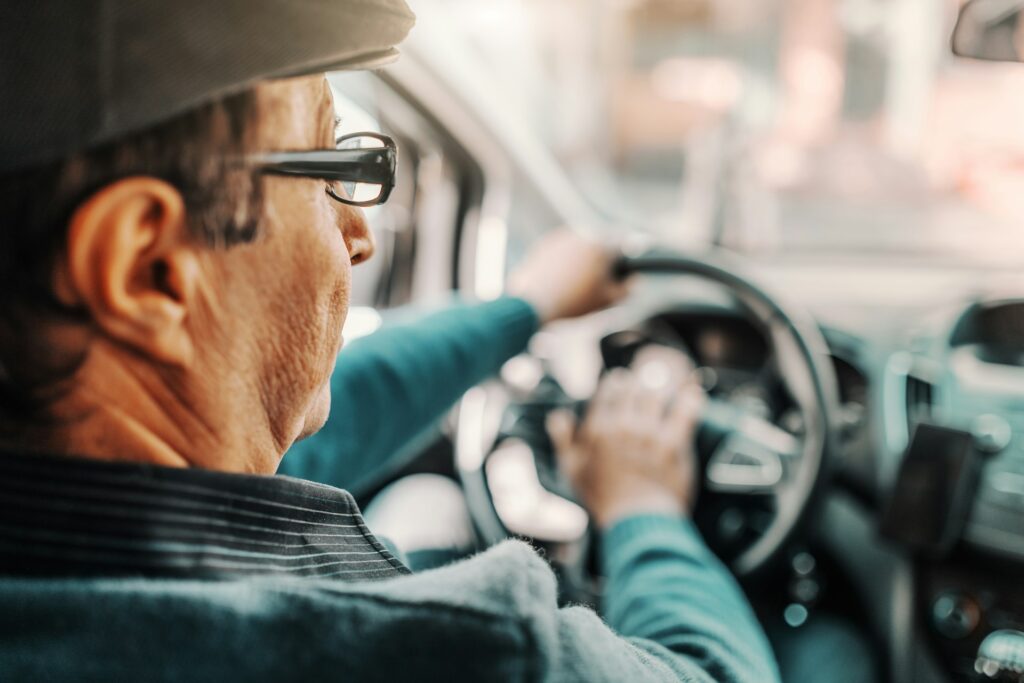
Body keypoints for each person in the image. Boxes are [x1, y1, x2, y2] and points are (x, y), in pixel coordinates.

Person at [0, 1, 780, 680]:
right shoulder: (453, 651)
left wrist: (525, 307)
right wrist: (645, 506)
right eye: (331, 164)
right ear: (150, 268)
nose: (360, 235)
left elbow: (319, 427)